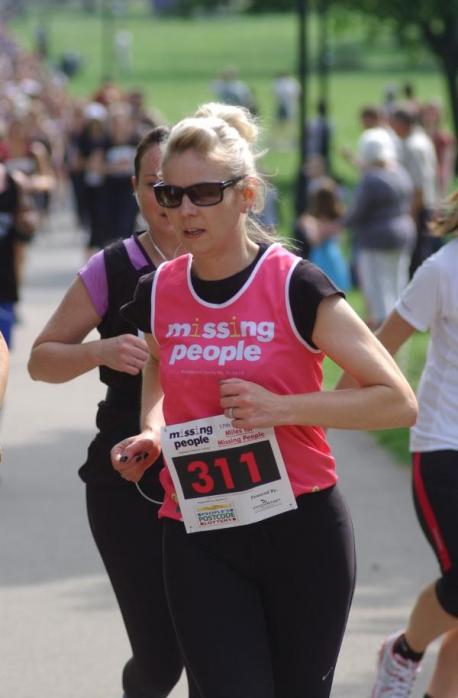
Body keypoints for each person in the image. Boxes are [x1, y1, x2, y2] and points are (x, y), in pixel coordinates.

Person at [111, 102, 417, 698]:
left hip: (300, 530)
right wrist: (151, 428)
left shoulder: (295, 286)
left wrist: (283, 407)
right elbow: (158, 362)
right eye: (171, 195)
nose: (185, 211)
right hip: (199, 528)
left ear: (246, 195)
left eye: (204, 193)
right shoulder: (159, 290)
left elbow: (395, 401)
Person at [28, 127, 199, 698]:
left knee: (214, 649)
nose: (172, 198)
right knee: (159, 659)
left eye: (184, 185)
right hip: (129, 476)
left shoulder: (231, 266)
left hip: (216, 470)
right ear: (135, 191)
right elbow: (40, 361)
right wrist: (97, 350)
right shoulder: (112, 267)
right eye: (157, 185)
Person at [364, 192, 458, 698]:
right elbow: (375, 351)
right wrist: (317, 413)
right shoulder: (443, 270)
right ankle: (403, 653)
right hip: (446, 445)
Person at [343, 128, 416, 328]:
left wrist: (340, 223)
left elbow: (357, 212)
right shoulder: (400, 172)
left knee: (377, 290)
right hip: (404, 234)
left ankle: (383, 333)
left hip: (376, 240)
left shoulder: (371, 179)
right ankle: (400, 330)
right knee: (398, 284)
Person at [294, 177, 350, 291]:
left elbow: (315, 240)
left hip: (321, 255)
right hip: (335, 254)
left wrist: (309, 226)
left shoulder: (315, 219)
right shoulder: (338, 216)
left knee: (321, 287)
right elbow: (340, 238)